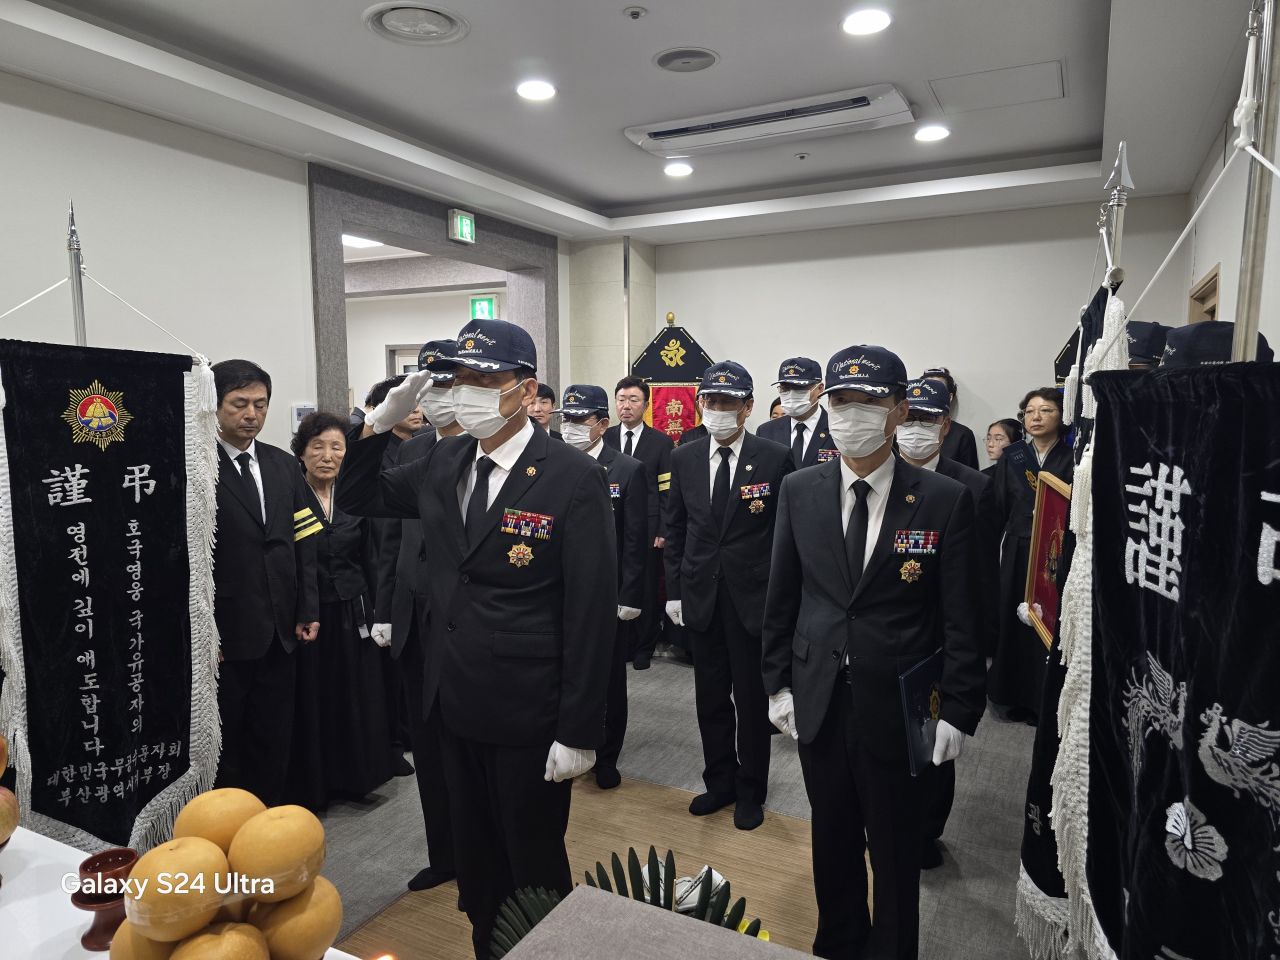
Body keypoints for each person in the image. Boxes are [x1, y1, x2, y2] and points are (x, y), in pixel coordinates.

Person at [335, 319, 616, 960]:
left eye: (485, 380)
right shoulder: (445, 458)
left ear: (526, 389)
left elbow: (591, 609)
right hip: (452, 697)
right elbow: (357, 496)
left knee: (532, 857)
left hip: (528, 705)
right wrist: (375, 426)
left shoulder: (571, 475)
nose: (468, 392)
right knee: (478, 857)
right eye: (459, 379)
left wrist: (579, 729)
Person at [762, 345, 984, 960]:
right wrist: (776, 684)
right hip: (820, 696)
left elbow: (964, 617)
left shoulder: (943, 498)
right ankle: (838, 941)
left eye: (869, 401)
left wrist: (959, 708)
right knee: (830, 838)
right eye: (840, 401)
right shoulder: (799, 489)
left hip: (899, 704)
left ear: (899, 409)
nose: (851, 413)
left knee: (893, 848)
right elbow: (782, 597)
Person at [663, 361, 794, 831]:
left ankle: (750, 790)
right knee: (710, 699)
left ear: (748, 406)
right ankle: (719, 782)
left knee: (752, 702)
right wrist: (674, 591)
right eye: (711, 401)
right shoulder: (685, 457)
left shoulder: (774, 458)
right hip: (701, 596)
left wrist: (781, 599)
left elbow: (785, 536)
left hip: (751, 600)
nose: (718, 409)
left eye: (728, 402)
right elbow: (676, 529)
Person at [895, 378, 997, 868]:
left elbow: (979, 581)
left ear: (945, 424)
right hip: (889, 631)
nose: (916, 428)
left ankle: (926, 832)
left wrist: (972, 660)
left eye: (927, 419)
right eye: (910, 417)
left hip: (941, 638)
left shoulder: (973, 487)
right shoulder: (882, 475)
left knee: (933, 741)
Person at [371, 339, 461, 892]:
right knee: (426, 748)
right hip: (412, 616)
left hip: (464, 620)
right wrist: (385, 607)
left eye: (448, 383)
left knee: (465, 746)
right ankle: (443, 852)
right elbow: (389, 539)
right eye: (431, 386)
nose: (439, 395)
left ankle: (477, 849)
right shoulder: (411, 450)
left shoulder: (487, 451)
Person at [211, 359, 319, 806]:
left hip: (281, 626)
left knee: (273, 732)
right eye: (239, 404)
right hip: (226, 630)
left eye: (260, 404)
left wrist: (308, 607)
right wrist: (204, 632)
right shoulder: (197, 467)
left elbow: (305, 541)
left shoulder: (283, 464)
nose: (251, 414)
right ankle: (227, 823)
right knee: (227, 739)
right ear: (214, 404)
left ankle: (269, 816)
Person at [286, 412, 393, 810]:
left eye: (337, 447)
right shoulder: (291, 495)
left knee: (354, 694)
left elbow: (372, 557)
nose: (327, 456)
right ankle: (316, 783)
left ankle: (355, 778)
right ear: (301, 453)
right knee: (315, 698)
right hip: (308, 613)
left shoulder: (354, 496)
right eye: (317, 447)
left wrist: (380, 610)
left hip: (353, 607)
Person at [556, 384, 647, 790]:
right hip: (559, 590)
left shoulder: (626, 469)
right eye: (567, 419)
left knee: (608, 678)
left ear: (602, 424)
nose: (571, 426)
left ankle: (606, 755)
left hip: (607, 594)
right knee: (561, 670)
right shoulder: (551, 463)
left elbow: (635, 540)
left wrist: (629, 594)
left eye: (580, 419)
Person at [984, 387, 1073, 723]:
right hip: (1019, 547)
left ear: (1061, 417)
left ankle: (1042, 699)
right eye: (1030, 411)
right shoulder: (1014, 456)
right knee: (1013, 615)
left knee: (1048, 619)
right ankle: (1011, 694)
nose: (1036, 417)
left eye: (1046, 410)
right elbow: (999, 504)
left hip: (1055, 551)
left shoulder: (1072, 457)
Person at [604, 377, 676, 669]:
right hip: (609, 525)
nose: (626, 406)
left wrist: (663, 528)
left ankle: (644, 645)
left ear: (645, 405)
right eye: (621, 399)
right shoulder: (604, 437)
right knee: (615, 585)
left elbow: (667, 490)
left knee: (645, 588)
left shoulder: (660, 442)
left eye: (633, 400)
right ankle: (619, 643)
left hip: (647, 527)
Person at [756, 357, 837, 468]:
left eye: (800, 388)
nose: (791, 394)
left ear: (820, 388)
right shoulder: (766, 432)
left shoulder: (837, 428)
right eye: (785, 388)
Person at [921, 367, 979, 469]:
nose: (931, 395)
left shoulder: (962, 434)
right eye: (926, 390)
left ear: (950, 397)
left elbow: (971, 475)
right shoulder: (906, 429)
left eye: (937, 390)